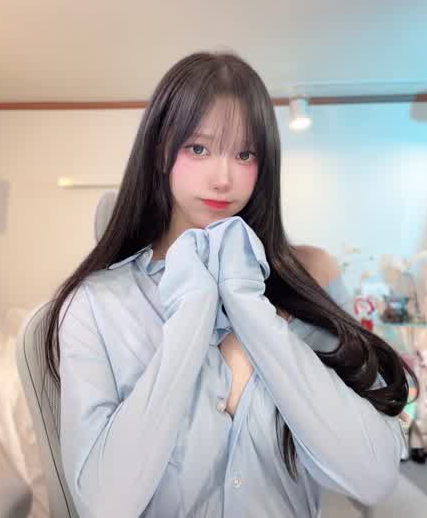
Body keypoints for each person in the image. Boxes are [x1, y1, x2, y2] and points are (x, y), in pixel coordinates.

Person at [45, 51, 418, 518]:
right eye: (198, 149)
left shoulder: (307, 288)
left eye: (245, 155)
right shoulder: (96, 305)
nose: (223, 179)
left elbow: (372, 476)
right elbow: (105, 504)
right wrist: (194, 310)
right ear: (161, 150)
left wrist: (247, 305)